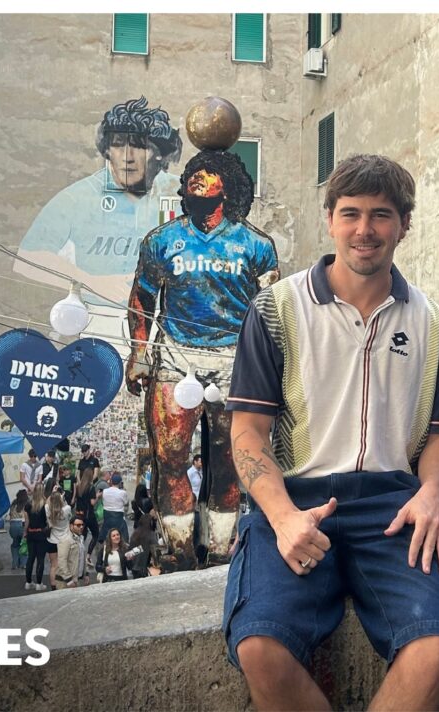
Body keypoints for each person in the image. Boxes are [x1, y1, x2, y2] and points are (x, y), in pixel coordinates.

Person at [224, 154, 439, 710]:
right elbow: (247, 433)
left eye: (382, 215)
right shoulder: (275, 309)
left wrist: (433, 495)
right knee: (261, 645)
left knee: (435, 641)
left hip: (393, 506)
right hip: (296, 500)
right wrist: (283, 516)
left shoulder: (435, 324)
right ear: (330, 219)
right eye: (351, 213)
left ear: (404, 225)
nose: (365, 230)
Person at [125, 147, 280, 569]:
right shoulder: (162, 241)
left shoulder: (256, 245)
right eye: (193, 171)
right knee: (171, 456)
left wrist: (271, 368)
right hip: (175, 357)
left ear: (228, 185)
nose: (198, 177)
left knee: (231, 461)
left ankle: (218, 551)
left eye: (209, 172)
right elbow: (141, 300)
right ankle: (178, 550)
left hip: (235, 362)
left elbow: (269, 312)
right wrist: (140, 352)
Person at [15, 95, 183, 307]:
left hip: (166, 322)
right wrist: (90, 281)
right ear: (107, 151)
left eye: (139, 146)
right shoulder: (79, 197)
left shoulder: (182, 195)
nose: (127, 156)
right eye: (118, 145)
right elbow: (28, 258)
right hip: (100, 317)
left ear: (159, 153)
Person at [23, 487, 50, 591]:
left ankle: (28, 582)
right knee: (40, 559)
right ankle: (39, 583)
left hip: (31, 533)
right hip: (41, 534)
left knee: (30, 558)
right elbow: (48, 521)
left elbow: (27, 522)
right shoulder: (44, 505)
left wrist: (25, 532)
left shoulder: (28, 505)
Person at [45, 489, 72, 589]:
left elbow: (47, 502)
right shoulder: (67, 509)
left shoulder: (48, 509)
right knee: (65, 563)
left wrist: (52, 492)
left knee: (54, 565)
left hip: (52, 540)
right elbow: (66, 505)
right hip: (64, 540)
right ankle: (64, 584)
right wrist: (61, 496)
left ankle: (53, 587)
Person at [74, 467, 101, 560]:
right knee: (95, 534)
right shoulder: (91, 487)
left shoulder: (78, 486)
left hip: (79, 514)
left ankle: (78, 552)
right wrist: (97, 496)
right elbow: (92, 502)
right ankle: (88, 555)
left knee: (82, 534)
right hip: (89, 515)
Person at [55, 516, 88, 589]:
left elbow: (81, 558)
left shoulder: (80, 538)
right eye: (78, 525)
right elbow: (62, 561)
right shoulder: (65, 539)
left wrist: (85, 574)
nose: (81, 527)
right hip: (64, 582)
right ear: (71, 526)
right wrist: (69, 580)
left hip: (75, 580)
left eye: (82, 525)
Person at [100, 473, 130, 544]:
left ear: (111, 481)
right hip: (118, 519)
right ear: (120, 483)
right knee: (124, 538)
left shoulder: (105, 491)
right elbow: (126, 503)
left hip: (107, 518)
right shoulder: (122, 492)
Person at [7, 489, 28, 570]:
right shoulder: (26, 505)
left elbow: (10, 514)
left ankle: (14, 563)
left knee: (15, 544)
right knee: (24, 544)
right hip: (22, 525)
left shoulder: (13, 504)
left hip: (13, 526)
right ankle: (23, 564)